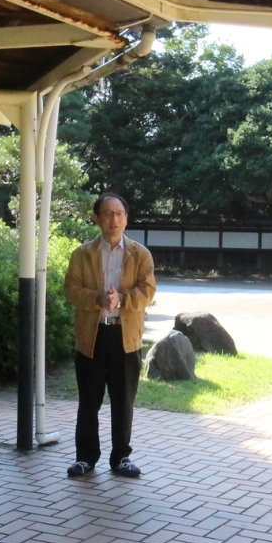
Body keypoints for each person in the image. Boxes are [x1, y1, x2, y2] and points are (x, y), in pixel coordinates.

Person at [62, 192, 154, 480]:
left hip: (125, 337)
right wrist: (98, 298)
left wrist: (121, 299)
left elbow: (148, 290)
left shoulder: (140, 254)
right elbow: (71, 290)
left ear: (126, 219)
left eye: (119, 214)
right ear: (97, 218)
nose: (114, 219)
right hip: (92, 336)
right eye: (107, 214)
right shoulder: (82, 254)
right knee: (89, 400)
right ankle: (85, 458)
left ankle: (121, 457)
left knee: (123, 400)